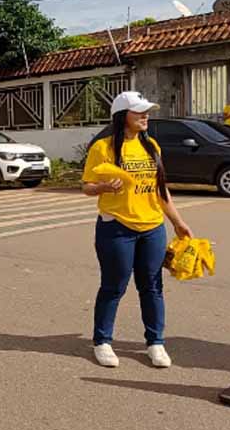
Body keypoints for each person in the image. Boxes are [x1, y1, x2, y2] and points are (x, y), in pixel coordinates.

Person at [82, 91, 193, 369]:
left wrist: (177, 222)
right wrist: (104, 187)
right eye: (139, 112)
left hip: (152, 227)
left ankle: (155, 343)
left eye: (146, 111)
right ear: (122, 117)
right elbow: (87, 187)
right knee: (114, 286)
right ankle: (102, 341)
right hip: (117, 227)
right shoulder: (103, 148)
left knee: (153, 287)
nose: (145, 116)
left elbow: (160, 188)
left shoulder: (151, 145)